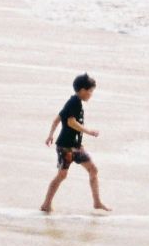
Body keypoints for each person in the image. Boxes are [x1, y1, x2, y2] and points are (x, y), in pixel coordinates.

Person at [41, 73, 109, 213]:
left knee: (93, 169)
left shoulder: (73, 102)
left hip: (76, 147)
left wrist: (50, 135)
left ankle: (97, 202)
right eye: (90, 91)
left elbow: (57, 119)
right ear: (83, 90)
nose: (91, 94)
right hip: (66, 147)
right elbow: (71, 122)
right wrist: (89, 131)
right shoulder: (74, 102)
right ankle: (46, 204)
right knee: (62, 175)